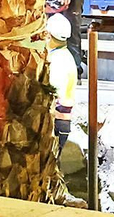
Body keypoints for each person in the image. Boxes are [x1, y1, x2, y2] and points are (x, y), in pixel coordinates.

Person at [46, 13, 79, 154]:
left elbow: (53, 93)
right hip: (63, 122)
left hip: (56, 123)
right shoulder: (65, 56)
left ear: (48, 34)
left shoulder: (57, 60)